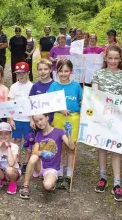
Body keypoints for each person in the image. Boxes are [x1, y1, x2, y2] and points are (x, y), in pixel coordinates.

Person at [92, 46, 122, 202]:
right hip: (102, 117)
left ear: (120, 59)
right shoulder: (98, 74)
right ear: (105, 58)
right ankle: (102, 177)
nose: (113, 61)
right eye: (110, 58)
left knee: (116, 150)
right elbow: (95, 95)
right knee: (102, 147)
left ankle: (117, 183)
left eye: (116, 58)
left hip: (118, 119)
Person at [19, 113, 74, 199]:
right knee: (33, 158)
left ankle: (50, 180)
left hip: (52, 168)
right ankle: (25, 186)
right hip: (40, 166)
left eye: (41, 119)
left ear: (47, 117)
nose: (39, 123)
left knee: (47, 186)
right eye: (36, 121)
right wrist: (43, 152)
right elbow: (35, 152)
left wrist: (69, 134)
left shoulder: (59, 132)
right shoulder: (39, 134)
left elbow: (71, 147)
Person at [47, 59, 82, 189]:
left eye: (66, 71)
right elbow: (48, 102)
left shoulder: (76, 86)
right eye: (60, 71)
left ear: (71, 71)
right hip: (58, 118)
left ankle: (68, 175)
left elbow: (80, 101)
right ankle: (59, 172)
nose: (63, 74)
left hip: (73, 119)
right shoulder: (54, 86)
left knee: (71, 147)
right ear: (57, 71)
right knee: (59, 146)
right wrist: (60, 108)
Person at [8, 62, 33, 174]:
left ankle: (26, 162)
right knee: (16, 140)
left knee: (28, 141)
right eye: (18, 73)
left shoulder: (32, 86)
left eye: (23, 73)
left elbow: (34, 104)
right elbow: (10, 104)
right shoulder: (13, 87)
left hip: (28, 119)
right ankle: (16, 160)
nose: (21, 75)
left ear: (28, 73)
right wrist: (10, 119)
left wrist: (33, 119)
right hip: (17, 118)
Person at [0, 122, 20, 195]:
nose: (3, 136)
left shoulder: (14, 147)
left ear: (10, 134)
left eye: (6, 133)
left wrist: (8, 147)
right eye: (0, 133)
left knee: (9, 169)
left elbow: (11, 163)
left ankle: (13, 183)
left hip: (12, 173)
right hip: (1, 174)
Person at [29, 58, 55, 128]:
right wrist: (31, 120)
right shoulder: (35, 86)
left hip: (53, 121)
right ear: (37, 71)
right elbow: (30, 105)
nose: (43, 72)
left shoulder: (56, 85)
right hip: (38, 122)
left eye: (46, 69)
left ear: (50, 70)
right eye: (40, 69)